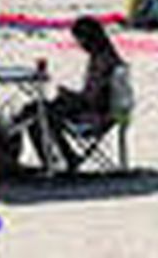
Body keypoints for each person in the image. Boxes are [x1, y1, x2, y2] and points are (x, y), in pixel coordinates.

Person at [22, 17, 126, 172]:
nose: (80, 45)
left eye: (80, 40)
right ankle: (63, 157)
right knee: (33, 110)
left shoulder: (104, 61)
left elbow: (93, 100)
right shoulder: (104, 56)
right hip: (94, 108)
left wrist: (69, 96)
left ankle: (60, 159)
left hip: (95, 114)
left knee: (38, 113)